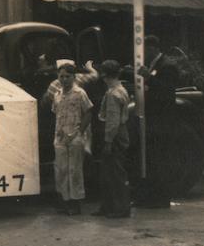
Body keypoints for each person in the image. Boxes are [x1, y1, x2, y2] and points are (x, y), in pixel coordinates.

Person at [135, 35, 179, 208]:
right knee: (151, 158)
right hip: (152, 119)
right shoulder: (155, 65)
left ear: (152, 48)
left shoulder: (167, 66)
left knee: (161, 159)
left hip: (163, 120)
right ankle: (150, 197)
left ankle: (161, 198)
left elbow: (168, 91)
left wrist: (149, 78)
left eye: (145, 49)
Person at [51, 63, 93, 215]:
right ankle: (64, 200)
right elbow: (56, 113)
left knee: (74, 170)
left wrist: (79, 131)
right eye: (61, 76)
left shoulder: (79, 93)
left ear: (74, 77)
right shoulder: (57, 94)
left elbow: (88, 112)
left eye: (67, 76)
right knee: (61, 169)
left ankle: (76, 202)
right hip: (61, 137)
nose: (64, 79)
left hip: (75, 136)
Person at [93, 60, 131, 218]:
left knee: (113, 173)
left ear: (105, 75)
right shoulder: (121, 90)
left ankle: (119, 208)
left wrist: (108, 141)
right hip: (120, 133)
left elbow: (112, 122)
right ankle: (110, 206)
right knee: (111, 172)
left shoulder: (112, 94)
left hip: (114, 136)